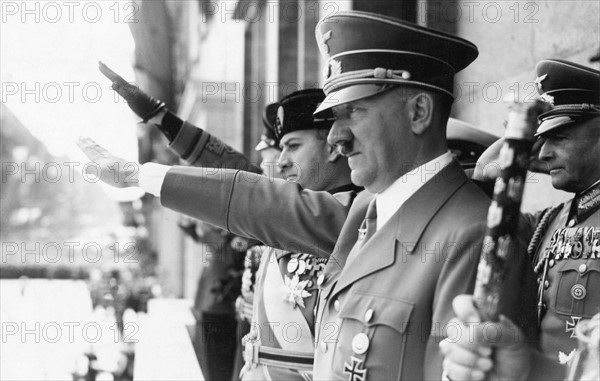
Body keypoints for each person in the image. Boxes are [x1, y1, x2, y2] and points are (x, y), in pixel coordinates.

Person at [79, 11, 534, 379]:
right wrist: (141, 176)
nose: (337, 138)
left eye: (353, 112)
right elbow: (256, 199)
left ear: (418, 111)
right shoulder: (365, 211)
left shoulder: (471, 235)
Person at [440, 59, 600, 380]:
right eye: (542, 140)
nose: (542, 154)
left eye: (560, 137)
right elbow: (486, 172)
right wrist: (520, 138)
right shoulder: (552, 220)